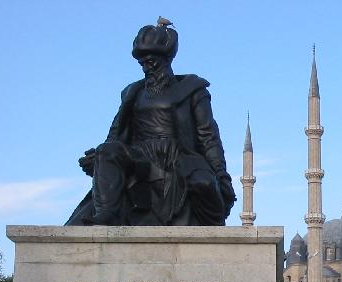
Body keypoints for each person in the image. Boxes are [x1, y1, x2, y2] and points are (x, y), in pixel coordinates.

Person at [67, 20, 236, 226]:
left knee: (204, 183)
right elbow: (116, 133)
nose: (148, 67)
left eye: (152, 61)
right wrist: (99, 158)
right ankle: (108, 214)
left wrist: (221, 175)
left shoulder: (193, 90)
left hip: (179, 157)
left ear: (166, 60)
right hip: (141, 156)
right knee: (106, 150)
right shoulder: (133, 92)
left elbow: (208, 137)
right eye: (143, 63)